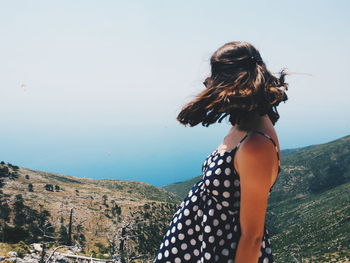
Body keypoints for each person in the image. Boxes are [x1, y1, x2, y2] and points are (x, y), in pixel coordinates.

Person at [153, 41, 288, 263]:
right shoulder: (243, 124)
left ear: (230, 83)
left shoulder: (256, 144)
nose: (208, 84)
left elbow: (252, 237)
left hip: (219, 253)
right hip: (203, 246)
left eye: (212, 79)